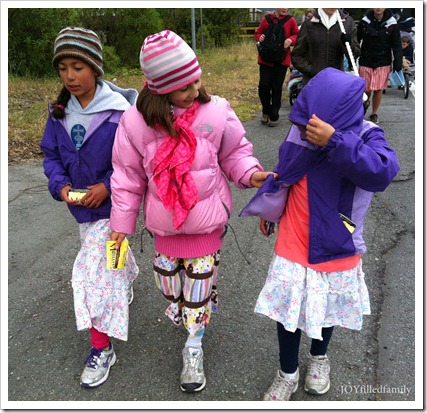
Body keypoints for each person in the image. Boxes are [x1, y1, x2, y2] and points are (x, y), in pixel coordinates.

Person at [109, 30, 274, 393]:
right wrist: (121, 222)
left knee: (196, 291)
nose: (195, 90)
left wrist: (251, 174)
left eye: (197, 80)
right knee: (169, 287)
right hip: (165, 227)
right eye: (184, 86)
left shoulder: (216, 111)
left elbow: (235, 153)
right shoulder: (135, 122)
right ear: (160, 88)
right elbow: (127, 176)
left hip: (206, 224)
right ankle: (191, 310)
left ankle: (193, 344)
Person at [241, 67, 400, 401]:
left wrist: (336, 141)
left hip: (337, 242)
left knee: (327, 308)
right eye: (304, 125)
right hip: (294, 239)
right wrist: (270, 210)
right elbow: (285, 172)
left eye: (312, 127)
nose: (306, 132)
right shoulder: (301, 130)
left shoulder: (368, 135)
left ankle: (319, 358)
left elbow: (382, 172)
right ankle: (287, 372)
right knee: (288, 312)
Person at [40, 27, 139, 388]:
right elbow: (51, 155)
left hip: (117, 206)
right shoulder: (59, 113)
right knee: (110, 260)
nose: (70, 75)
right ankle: (123, 275)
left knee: (90, 276)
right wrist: (60, 186)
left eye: (78, 67)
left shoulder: (121, 113)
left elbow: (134, 162)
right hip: (83, 210)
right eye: (62, 68)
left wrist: (106, 186)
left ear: (95, 68)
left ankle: (102, 347)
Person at [291, 8, 360, 86]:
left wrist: (349, 44)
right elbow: (296, 56)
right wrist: (312, 70)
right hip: (313, 82)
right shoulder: (308, 24)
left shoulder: (347, 23)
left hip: (336, 82)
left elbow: (355, 55)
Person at [255, 8, 299, 127]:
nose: (285, 8)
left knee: (276, 87)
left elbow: (297, 35)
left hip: (281, 60)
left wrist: (290, 40)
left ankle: (274, 115)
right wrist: (260, 37)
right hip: (265, 59)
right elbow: (258, 33)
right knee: (263, 86)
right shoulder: (266, 19)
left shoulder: (290, 20)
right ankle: (265, 111)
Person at [357, 8, 403, 124]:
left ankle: (374, 113)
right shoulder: (364, 21)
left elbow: (397, 44)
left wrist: (398, 61)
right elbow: (356, 40)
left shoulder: (392, 23)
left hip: (383, 61)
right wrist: (351, 56)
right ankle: (364, 106)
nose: (378, 8)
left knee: (378, 89)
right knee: (366, 89)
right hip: (366, 60)